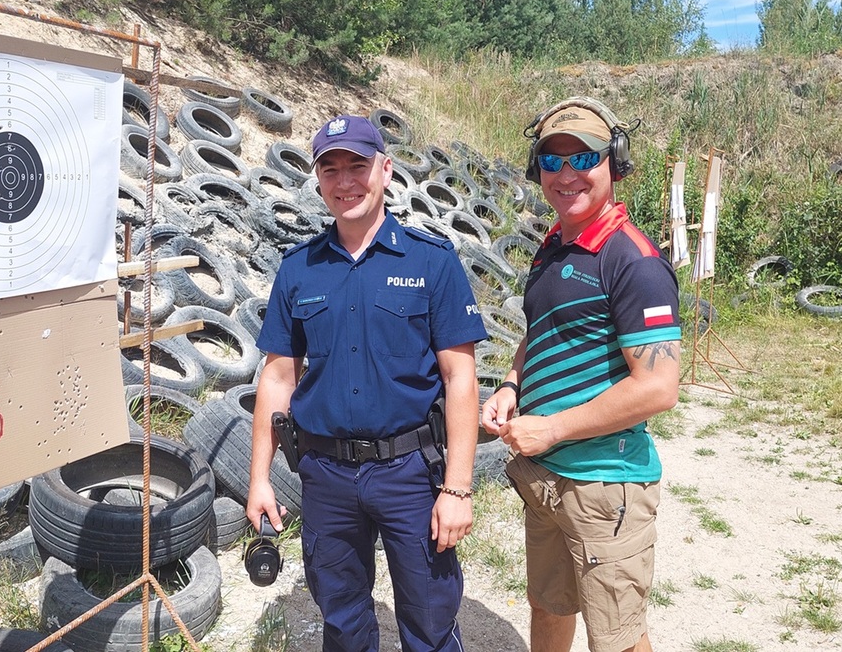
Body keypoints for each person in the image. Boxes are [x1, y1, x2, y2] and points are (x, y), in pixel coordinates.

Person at [247, 114, 487, 652]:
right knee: (342, 621)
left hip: (410, 473)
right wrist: (259, 478)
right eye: (330, 170)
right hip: (326, 475)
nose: (345, 181)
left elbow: (460, 378)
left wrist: (457, 489)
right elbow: (278, 377)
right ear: (317, 180)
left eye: (357, 166)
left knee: (430, 620)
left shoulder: (431, 262)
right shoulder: (299, 269)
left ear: (386, 170)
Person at [480, 97, 681, 652]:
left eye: (584, 158)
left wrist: (552, 428)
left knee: (617, 637)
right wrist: (512, 384)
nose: (566, 174)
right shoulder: (554, 246)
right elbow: (543, 331)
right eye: (552, 161)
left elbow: (659, 387)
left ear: (615, 162)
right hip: (547, 477)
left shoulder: (633, 260)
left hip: (604, 486)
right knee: (548, 605)